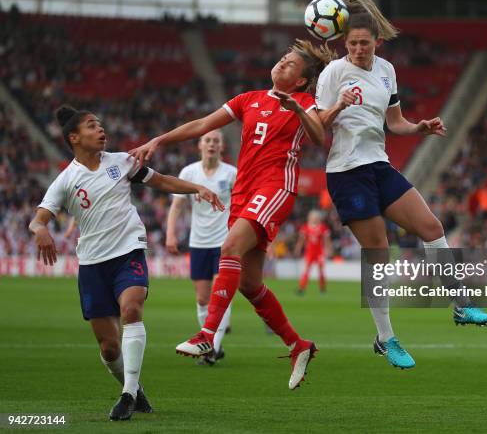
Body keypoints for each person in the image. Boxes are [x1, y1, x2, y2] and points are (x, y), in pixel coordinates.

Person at [129, 39, 335, 389]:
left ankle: (207, 334)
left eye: (289, 64)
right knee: (249, 283)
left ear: (301, 81)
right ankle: (298, 345)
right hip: (244, 192)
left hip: (275, 188)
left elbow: (319, 136)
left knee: (229, 249)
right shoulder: (249, 99)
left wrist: (300, 110)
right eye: (282, 59)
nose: (281, 64)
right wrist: (159, 141)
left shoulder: (304, 102)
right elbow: (202, 124)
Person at [316, 0, 487, 370]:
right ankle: (386, 339)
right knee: (379, 253)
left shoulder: (386, 69)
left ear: (376, 42)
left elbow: (394, 122)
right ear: (343, 42)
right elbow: (317, 126)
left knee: (431, 227)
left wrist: (420, 127)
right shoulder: (333, 73)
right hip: (347, 172)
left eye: (365, 43)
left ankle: (461, 307)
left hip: (378, 166)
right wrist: (339, 105)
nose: (359, 50)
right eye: (352, 44)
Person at [29, 105, 224, 421]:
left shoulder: (122, 162)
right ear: (74, 137)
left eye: (101, 125)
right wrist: (41, 231)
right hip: (93, 263)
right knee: (109, 347)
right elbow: (38, 220)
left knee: (132, 309)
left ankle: (127, 394)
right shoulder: (65, 181)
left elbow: (161, 181)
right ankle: (135, 387)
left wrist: (197, 187)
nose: (101, 130)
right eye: (93, 126)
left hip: (129, 252)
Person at [166, 130, 237, 365]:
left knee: (221, 294)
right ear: (200, 145)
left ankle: (212, 350)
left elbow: (241, 205)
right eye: (207, 140)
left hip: (225, 242)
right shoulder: (189, 172)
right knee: (202, 299)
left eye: (216, 140)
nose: (212, 144)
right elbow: (176, 207)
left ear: (222, 146)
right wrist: (171, 234)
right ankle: (212, 344)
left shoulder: (231, 173)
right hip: (198, 243)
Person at [294, 210, 332, 295]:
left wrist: (329, 249)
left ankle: (322, 289)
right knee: (306, 270)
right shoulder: (305, 227)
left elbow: (327, 240)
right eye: (312, 218)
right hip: (309, 252)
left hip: (319, 252)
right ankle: (301, 288)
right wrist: (298, 248)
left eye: (316, 218)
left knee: (321, 271)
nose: (314, 219)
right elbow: (301, 240)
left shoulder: (323, 227)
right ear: (309, 218)